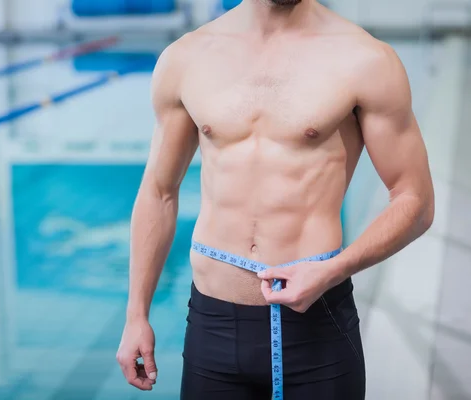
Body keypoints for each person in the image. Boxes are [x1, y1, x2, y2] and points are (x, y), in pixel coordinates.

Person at [116, 0, 435, 398]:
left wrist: (335, 269)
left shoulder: (365, 59)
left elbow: (415, 200)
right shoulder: (187, 57)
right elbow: (159, 192)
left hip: (317, 329)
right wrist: (136, 315)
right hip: (212, 326)